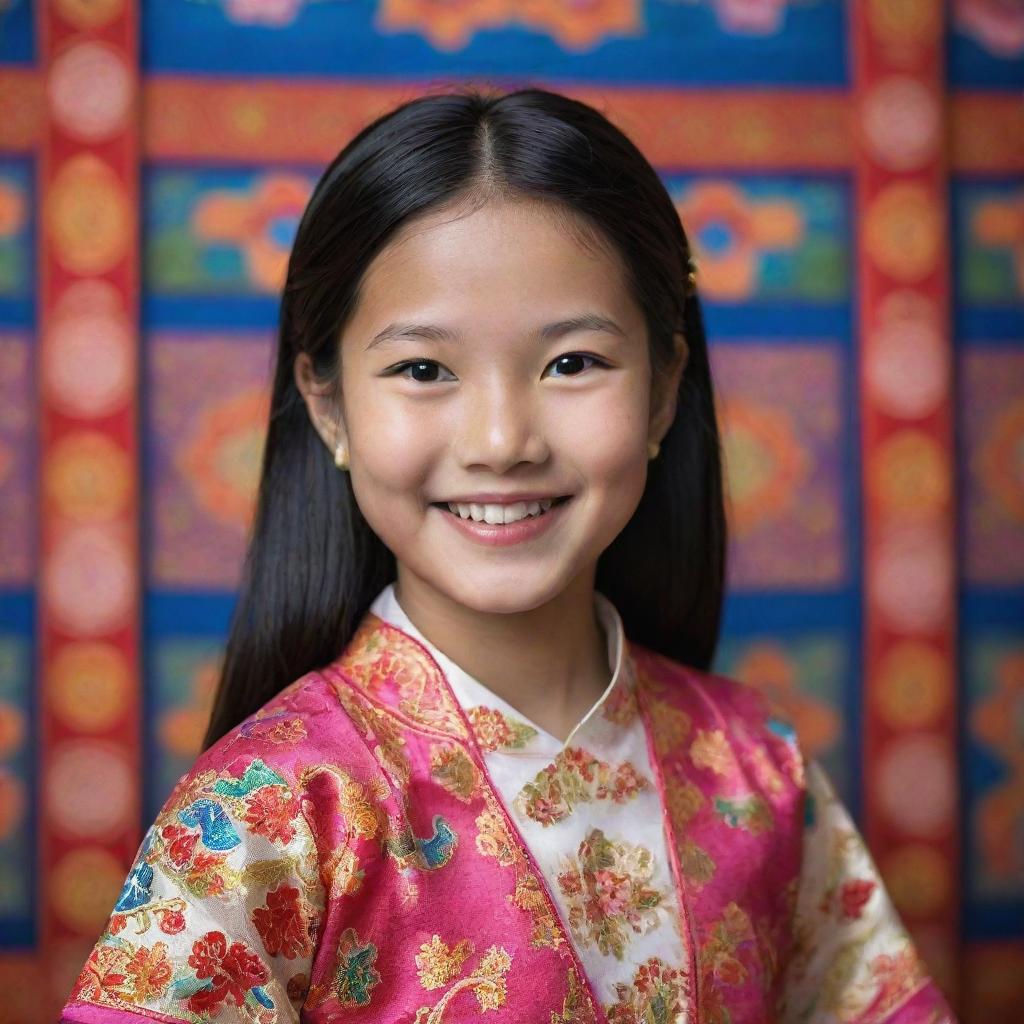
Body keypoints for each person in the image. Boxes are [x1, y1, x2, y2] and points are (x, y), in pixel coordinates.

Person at [61, 86, 956, 1024]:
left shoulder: (754, 772)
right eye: (422, 369)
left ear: (662, 392)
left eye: (572, 363)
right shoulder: (271, 809)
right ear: (328, 406)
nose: (501, 439)